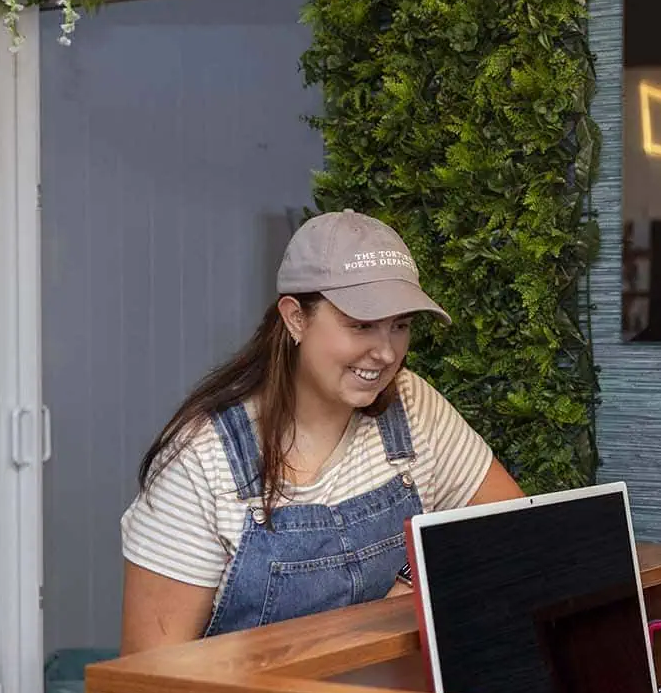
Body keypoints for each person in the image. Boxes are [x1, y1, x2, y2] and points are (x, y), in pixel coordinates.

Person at [119, 209, 524, 654]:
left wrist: (415, 583)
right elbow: (149, 679)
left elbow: (514, 531)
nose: (386, 352)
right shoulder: (202, 460)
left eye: (401, 326)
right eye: (361, 325)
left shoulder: (413, 405)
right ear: (295, 318)